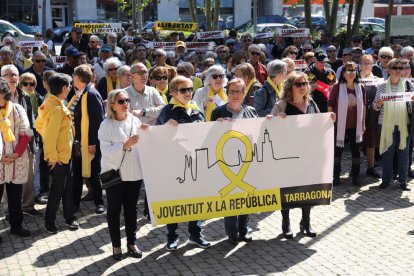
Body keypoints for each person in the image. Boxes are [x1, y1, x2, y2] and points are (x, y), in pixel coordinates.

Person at [270, 72, 336, 238]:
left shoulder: (311, 102)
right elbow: (268, 125)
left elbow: (319, 123)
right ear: (290, 87)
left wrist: (329, 119)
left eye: (305, 84)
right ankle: (286, 223)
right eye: (299, 84)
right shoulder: (282, 105)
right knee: (287, 189)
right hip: (287, 156)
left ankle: (306, 221)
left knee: (308, 189)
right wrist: (276, 119)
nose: (303, 87)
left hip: (309, 155)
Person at [156, 75, 210, 251]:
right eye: (183, 90)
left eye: (190, 89)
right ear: (173, 92)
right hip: (175, 166)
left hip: (195, 165)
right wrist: (164, 129)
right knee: (174, 202)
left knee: (196, 202)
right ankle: (172, 237)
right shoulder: (167, 110)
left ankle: (195, 234)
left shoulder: (196, 109)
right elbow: (154, 137)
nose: (188, 93)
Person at [98, 89, 148, 261]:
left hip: (133, 172)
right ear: (112, 105)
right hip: (115, 174)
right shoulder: (105, 125)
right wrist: (124, 145)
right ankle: (116, 246)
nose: (126, 103)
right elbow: (105, 152)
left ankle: (132, 243)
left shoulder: (134, 120)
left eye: (127, 100)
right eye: (121, 101)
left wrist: (148, 132)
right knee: (113, 210)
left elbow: (144, 140)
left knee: (131, 210)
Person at [210, 78, 257, 245]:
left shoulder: (251, 111)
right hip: (227, 163)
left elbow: (257, 134)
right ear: (227, 93)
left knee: (245, 198)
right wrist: (218, 126)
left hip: (247, 161)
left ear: (244, 93)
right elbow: (210, 138)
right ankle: (231, 233)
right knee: (230, 200)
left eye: (239, 91)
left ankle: (244, 230)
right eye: (232, 92)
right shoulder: (218, 112)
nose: (235, 95)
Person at [34, 73, 79, 234]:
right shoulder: (57, 108)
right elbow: (50, 136)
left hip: (64, 155)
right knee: (57, 190)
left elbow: (39, 125)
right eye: (69, 86)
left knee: (67, 187)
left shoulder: (51, 102)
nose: (70, 89)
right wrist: (53, 158)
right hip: (59, 158)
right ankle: (50, 221)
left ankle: (69, 217)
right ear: (64, 88)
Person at [1, 65, 41, 217]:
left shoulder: (25, 95)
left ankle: (27, 206)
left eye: (15, 74)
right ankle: (9, 210)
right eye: (8, 74)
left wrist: (33, 140)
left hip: (24, 145)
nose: (13, 77)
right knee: (5, 181)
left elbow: (32, 120)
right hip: (3, 149)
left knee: (27, 177)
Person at [68, 65, 106, 214]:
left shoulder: (91, 94)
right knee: (77, 175)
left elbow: (98, 122)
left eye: (73, 76)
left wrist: (92, 143)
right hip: (78, 142)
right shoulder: (80, 92)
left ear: (78, 78)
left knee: (94, 175)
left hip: (89, 143)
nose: (72, 78)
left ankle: (99, 203)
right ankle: (75, 204)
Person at [373, 58, 414, 191]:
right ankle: (385, 180)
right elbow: (374, 107)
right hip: (386, 124)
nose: (398, 71)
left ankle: (403, 181)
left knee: (404, 153)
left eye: (400, 68)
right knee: (387, 153)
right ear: (389, 70)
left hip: (404, 124)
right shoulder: (382, 86)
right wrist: (378, 103)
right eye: (395, 68)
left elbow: (411, 107)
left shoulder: (409, 85)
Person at [0, 77, 33, 237]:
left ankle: (16, 225)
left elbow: (25, 132)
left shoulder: (17, 109)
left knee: (15, 196)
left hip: (16, 159)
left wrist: (15, 154)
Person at [328, 62, 366, 186]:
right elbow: (330, 104)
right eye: (348, 71)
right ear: (343, 73)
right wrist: (331, 120)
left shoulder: (361, 88)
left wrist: (363, 122)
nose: (351, 73)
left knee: (356, 151)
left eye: (353, 70)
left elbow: (364, 107)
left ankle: (356, 176)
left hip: (356, 125)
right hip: (339, 124)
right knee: (337, 152)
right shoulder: (337, 87)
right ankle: (336, 176)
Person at [359, 54, 381, 178]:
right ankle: (354, 168)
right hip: (356, 115)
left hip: (372, 115)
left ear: (372, 65)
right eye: (364, 63)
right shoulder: (354, 78)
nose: (366, 65)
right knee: (355, 141)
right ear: (360, 64)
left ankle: (370, 168)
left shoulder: (378, 80)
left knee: (371, 142)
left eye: (369, 63)